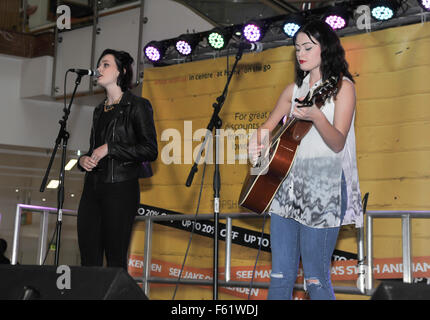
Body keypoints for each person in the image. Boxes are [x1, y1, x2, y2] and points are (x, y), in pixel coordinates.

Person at [249, 19, 362, 300]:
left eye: (308, 47)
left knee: (315, 278)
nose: (301, 52)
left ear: (326, 49)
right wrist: (258, 140)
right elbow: (268, 126)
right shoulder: (292, 91)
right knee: (279, 275)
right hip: (285, 188)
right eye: (297, 47)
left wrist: (316, 116)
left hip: (324, 188)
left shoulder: (343, 88)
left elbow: (337, 142)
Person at [77, 49, 158, 270]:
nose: (99, 69)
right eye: (99, 65)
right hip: (92, 189)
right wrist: (83, 159)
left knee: (115, 259)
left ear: (121, 71)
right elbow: (95, 148)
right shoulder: (98, 110)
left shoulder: (138, 105)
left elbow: (150, 149)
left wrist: (112, 148)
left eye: (105, 65)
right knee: (88, 258)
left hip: (121, 189)